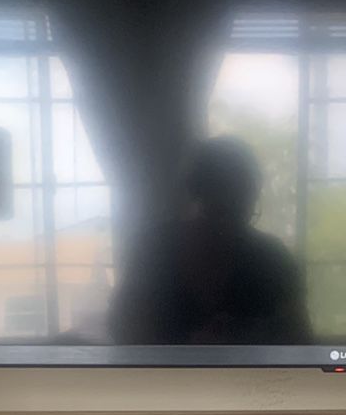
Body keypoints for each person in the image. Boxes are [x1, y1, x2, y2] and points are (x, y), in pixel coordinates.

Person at [112, 136, 311, 346]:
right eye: (221, 198)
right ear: (198, 193)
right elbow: (123, 327)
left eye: (241, 197)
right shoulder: (153, 249)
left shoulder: (273, 258)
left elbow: (299, 339)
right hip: (165, 378)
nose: (232, 213)